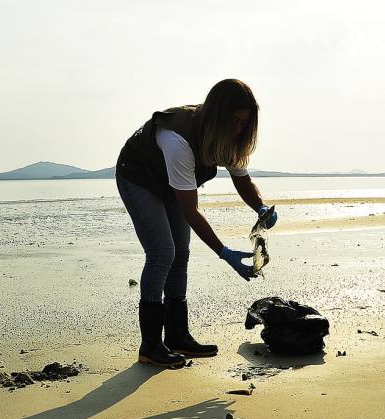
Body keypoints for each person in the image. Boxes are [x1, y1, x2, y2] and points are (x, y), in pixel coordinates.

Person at [115, 79, 278, 369]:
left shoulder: (229, 137)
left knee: (182, 252)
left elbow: (242, 180)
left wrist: (261, 207)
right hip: (138, 176)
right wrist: (224, 252)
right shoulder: (177, 139)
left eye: (245, 122)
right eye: (235, 121)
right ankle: (151, 346)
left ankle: (177, 337)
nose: (239, 129)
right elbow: (191, 211)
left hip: (170, 184)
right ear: (218, 116)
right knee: (162, 252)